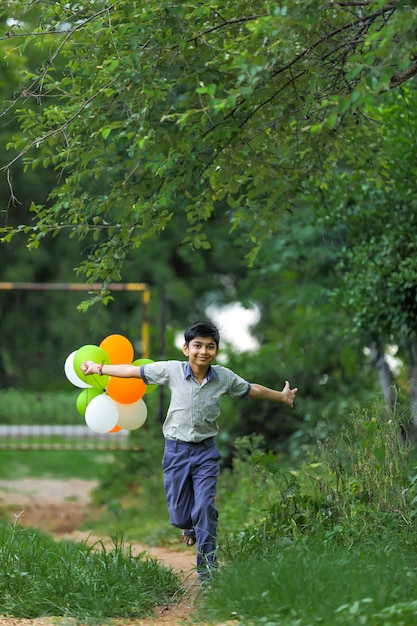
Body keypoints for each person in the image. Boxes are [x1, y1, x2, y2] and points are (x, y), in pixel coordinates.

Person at [81, 320, 297, 582]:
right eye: (197, 345)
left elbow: (253, 389)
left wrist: (281, 396)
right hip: (176, 451)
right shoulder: (172, 371)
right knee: (180, 513)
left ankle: (207, 571)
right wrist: (99, 368)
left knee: (205, 506)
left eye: (210, 346)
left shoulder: (224, 377)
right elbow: (133, 371)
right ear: (186, 348)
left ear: (216, 351)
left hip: (206, 452)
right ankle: (187, 526)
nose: (203, 351)